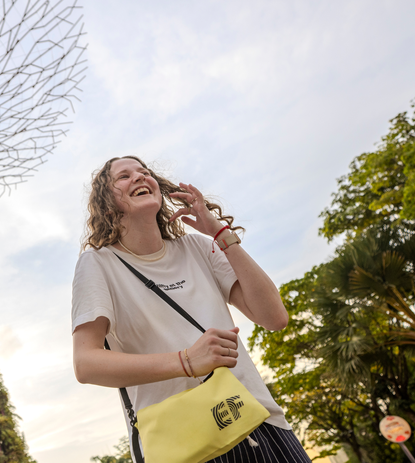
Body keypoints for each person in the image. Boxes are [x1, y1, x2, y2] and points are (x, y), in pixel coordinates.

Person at [70, 156, 311, 462]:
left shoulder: (199, 247)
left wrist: (221, 234)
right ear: (106, 203)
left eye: (145, 173)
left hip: (260, 420)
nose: (140, 177)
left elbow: (274, 317)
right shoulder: (98, 264)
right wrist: (185, 361)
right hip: (187, 444)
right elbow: (85, 363)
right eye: (124, 176)